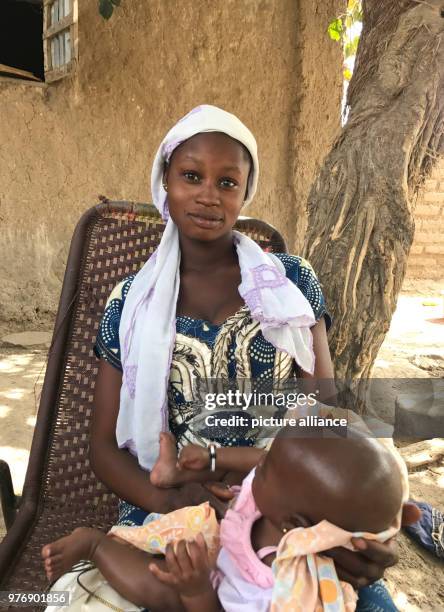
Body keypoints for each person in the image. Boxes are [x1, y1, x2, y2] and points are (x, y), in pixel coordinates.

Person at [55, 105, 419, 609]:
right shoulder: (130, 304)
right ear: (165, 181)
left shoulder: (290, 285)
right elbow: (102, 449)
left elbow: (322, 420)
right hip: (171, 507)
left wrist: (345, 523)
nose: (208, 194)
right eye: (191, 176)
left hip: (287, 503)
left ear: (246, 191)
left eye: (227, 182)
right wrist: (172, 498)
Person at [42, 427, 408, 612]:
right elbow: (273, 459)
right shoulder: (282, 491)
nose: (257, 467)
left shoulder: (287, 592)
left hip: (212, 597)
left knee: (160, 589)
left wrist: (197, 591)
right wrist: (214, 459)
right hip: (212, 542)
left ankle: (95, 544)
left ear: (294, 525)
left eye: (264, 470)